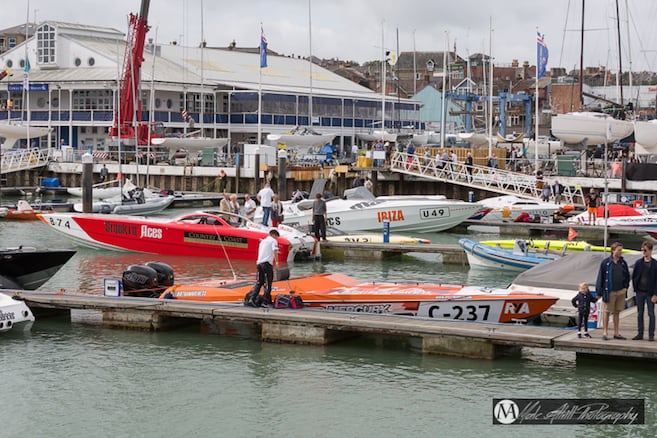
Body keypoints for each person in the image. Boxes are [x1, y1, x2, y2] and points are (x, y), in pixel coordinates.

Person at [595, 241, 630, 341]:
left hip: (620, 291)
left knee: (617, 312)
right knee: (606, 311)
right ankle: (605, 332)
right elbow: (600, 277)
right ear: (613, 251)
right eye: (619, 250)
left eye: (621, 250)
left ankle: (616, 332)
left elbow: (627, 275)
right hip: (609, 291)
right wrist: (599, 292)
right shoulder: (606, 263)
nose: (620, 252)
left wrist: (625, 287)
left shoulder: (623, 263)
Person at [244, 229, 280, 307]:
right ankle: (265, 302)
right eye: (276, 237)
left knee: (259, 282)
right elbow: (275, 251)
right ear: (274, 235)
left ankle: (252, 299)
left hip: (259, 263)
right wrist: (277, 262)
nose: (276, 238)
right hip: (267, 264)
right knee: (268, 283)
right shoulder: (273, 241)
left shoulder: (263, 241)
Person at [631, 240, 657, 341]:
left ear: (650, 251)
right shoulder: (638, 263)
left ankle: (651, 334)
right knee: (639, 313)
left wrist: (655, 294)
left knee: (651, 313)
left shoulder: (655, 264)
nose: (644, 252)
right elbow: (634, 276)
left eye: (645, 250)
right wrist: (635, 287)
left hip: (650, 293)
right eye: (642, 250)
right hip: (640, 291)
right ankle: (640, 333)